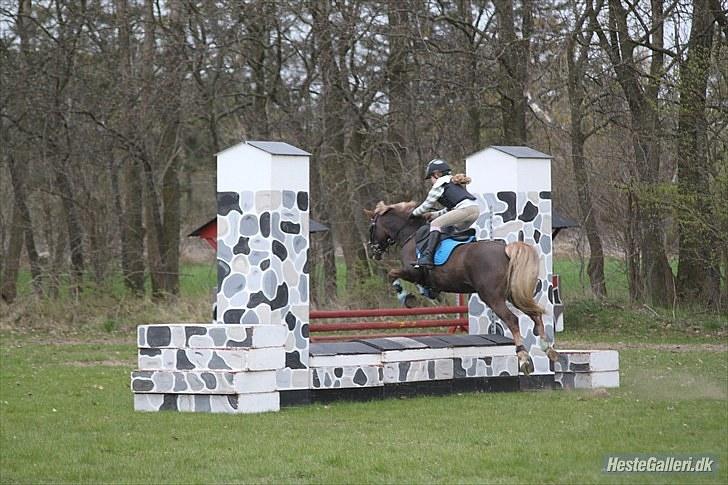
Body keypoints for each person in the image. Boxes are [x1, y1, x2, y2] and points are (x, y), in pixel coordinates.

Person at [410, 158, 479, 268]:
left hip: (465, 210)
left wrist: (413, 214)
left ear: (437, 174)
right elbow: (450, 209)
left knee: (435, 225)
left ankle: (428, 257)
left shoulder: (439, 184)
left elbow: (426, 205)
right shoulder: (451, 182)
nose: (431, 181)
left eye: (430, 178)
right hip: (474, 210)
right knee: (451, 229)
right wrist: (434, 215)